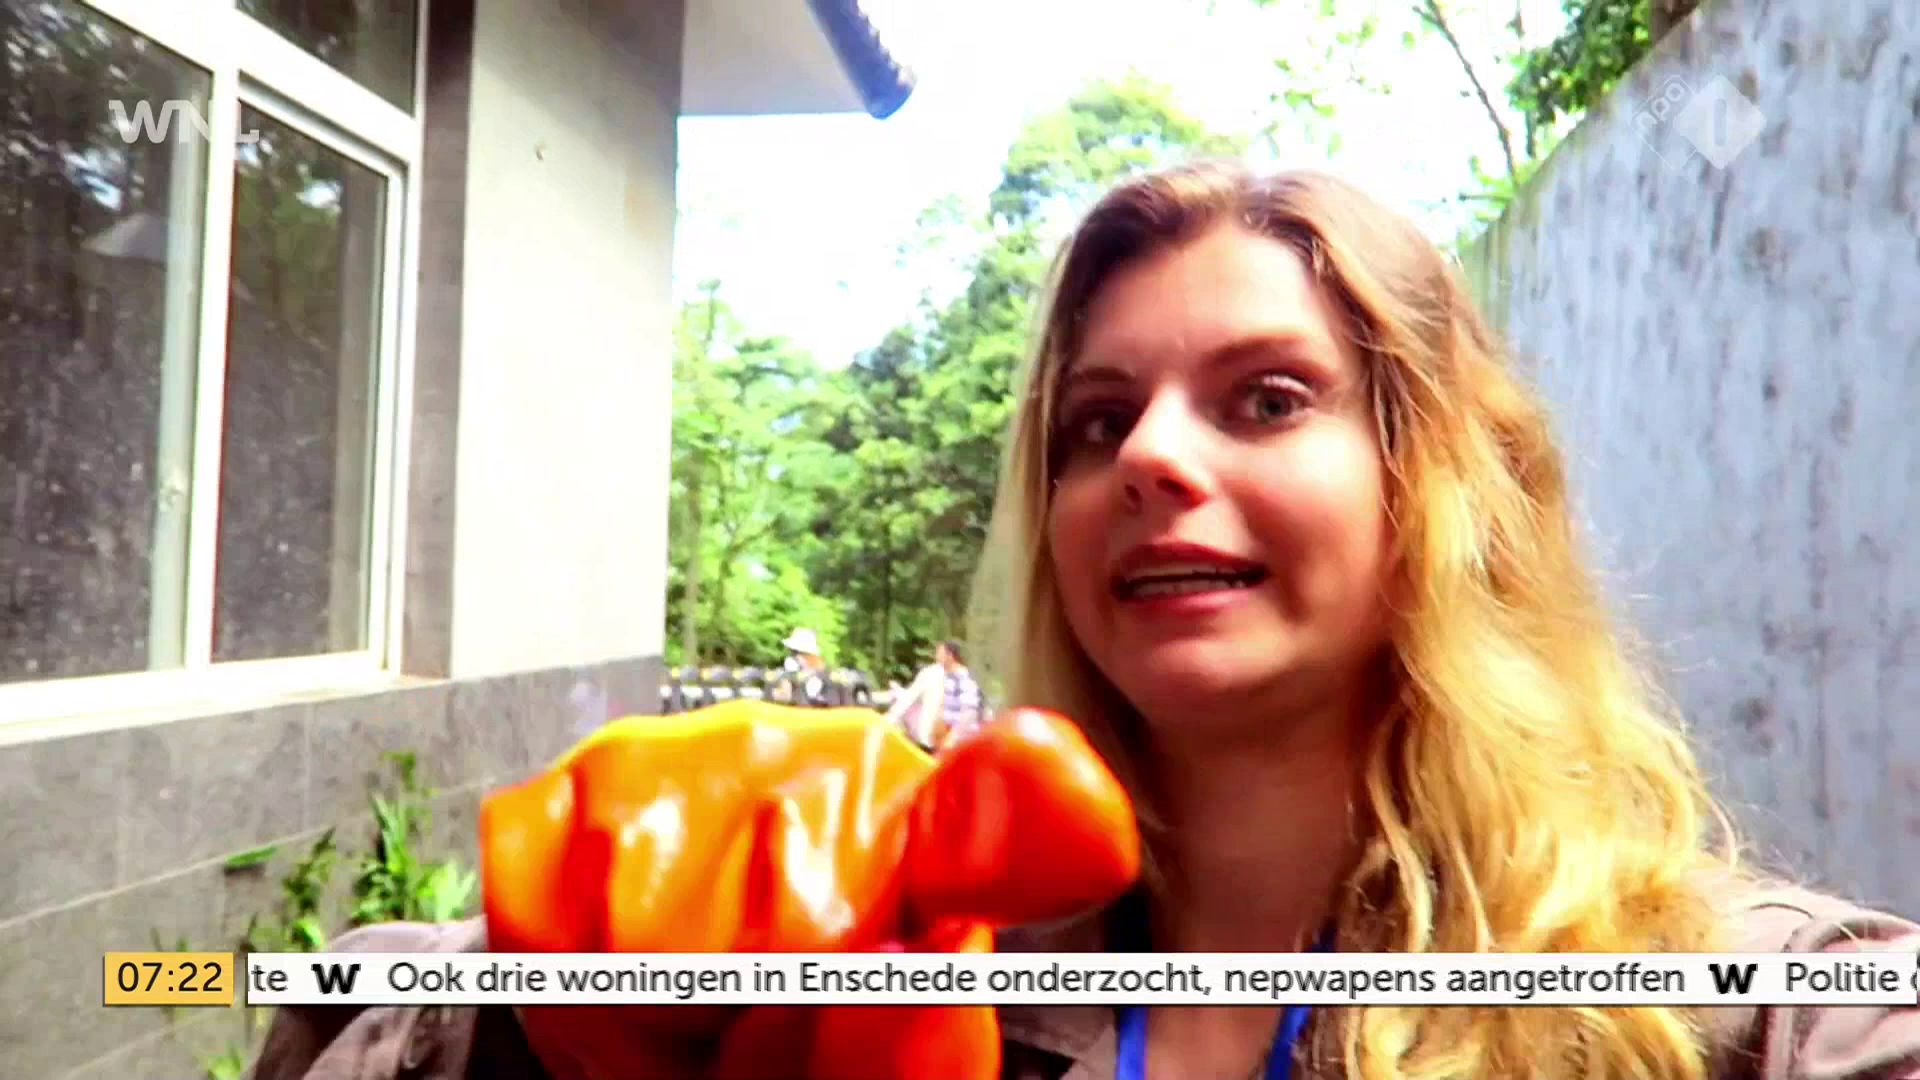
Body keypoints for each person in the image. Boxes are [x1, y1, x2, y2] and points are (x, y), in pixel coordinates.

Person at [247, 163, 1919, 1080]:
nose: (1150, 462)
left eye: (1267, 398)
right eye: (1097, 422)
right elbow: (342, 1000)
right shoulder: (900, 956)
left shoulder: (1743, 1009)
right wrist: (551, 1010)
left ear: (1442, 486)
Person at [886, 639, 988, 752]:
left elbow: (970, 712)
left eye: (940, 653)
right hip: (941, 741)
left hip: (959, 744)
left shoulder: (963, 679)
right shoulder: (947, 677)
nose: (936, 656)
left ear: (950, 656)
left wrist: (953, 737)